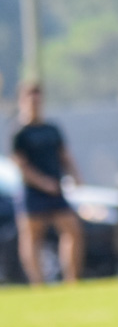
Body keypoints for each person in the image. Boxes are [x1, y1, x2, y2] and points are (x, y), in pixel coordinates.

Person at [9, 82, 84, 285]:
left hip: (56, 189)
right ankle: (38, 284)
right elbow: (21, 165)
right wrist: (42, 183)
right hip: (33, 191)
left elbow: (64, 155)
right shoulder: (20, 133)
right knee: (33, 237)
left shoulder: (52, 128)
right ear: (22, 101)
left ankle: (72, 280)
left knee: (72, 229)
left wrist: (76, 175)